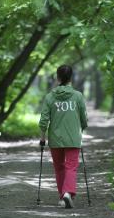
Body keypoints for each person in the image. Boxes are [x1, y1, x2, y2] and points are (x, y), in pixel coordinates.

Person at [38, 65, 88, 209]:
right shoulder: (78, 96)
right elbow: (83, 119)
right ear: (71, 78)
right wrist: (82, 129)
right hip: (73, 138)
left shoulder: (50, 97)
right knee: (71, 167)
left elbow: (43, 120)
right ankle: (68, 193)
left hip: (55, 139)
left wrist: (42, 138)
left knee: (59, 168)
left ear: (58, 77)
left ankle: (62, 197)